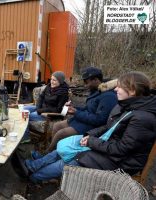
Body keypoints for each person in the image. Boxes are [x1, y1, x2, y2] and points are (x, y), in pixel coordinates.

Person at [25, 71, 156, 183]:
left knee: (73, 159)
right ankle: (33, 166)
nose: (115, 89)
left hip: (121, 161)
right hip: (107, 146)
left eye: (120, 87)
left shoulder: (143, 118)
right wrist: (89, 136)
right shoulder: (127, 105)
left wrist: (92, 142)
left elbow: (122, 149)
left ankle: (34, 177)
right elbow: (107, 127)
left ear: (132, 91)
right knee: (66, 145)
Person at [44, 66, 117, 153]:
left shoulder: (108, 96)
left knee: (61, 134)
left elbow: (100, 120)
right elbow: (88, 108)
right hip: (84, 121)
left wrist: (76, 112)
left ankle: (48, 154)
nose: (85, 85)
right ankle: (55, 150)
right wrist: (73, 108)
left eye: (86, 82)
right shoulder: (97, 90)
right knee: (57, 126)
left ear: (96, 80)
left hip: (92, 127)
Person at [21, 71, 69, 142]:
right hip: (41, 108)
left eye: (54, 80)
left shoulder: (63, 93)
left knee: (26, 115)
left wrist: (41, 110)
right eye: (51, 79)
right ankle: (25, 133)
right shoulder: (49, 86)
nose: (52, 82)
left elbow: (58, 109)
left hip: (49, 114)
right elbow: (41, 97)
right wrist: (38, 107)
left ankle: (26, 137)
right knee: (23, 109)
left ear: (60, 82)